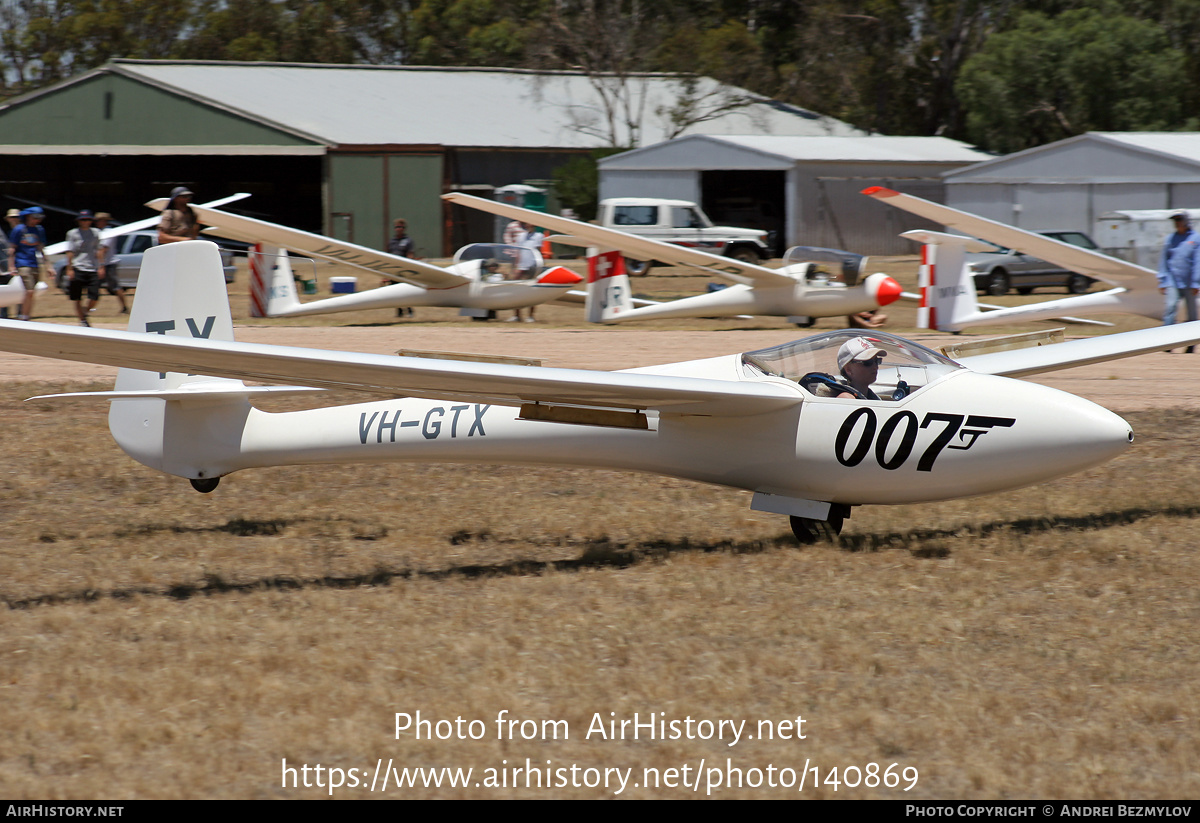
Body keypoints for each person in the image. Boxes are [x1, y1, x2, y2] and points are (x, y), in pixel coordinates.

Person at [1158, 211, 1200, 353]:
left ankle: (1191, 344)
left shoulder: (1195, 239)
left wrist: (1196, 282)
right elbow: (1164, 260)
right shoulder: (1170, 239)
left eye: (1180, 220)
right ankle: (1167, 343)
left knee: (1192, 314)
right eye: (1175, 221)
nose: (1177, 223)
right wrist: (1163, 280)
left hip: (1189, 282)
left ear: (1186, 221)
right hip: (1173, 280)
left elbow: (1197, 262)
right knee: (1170, 309)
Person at [64, 210, 106, 327]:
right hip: (78, 266)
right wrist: (69, 268)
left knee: (95, 296)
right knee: (77, 296)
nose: (85, 222)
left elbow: (99, 250)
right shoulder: (73, 233)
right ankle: (83, 320)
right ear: (78, 221)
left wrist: (101, 266)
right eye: (83, 220)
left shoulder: (95, 233)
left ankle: (84, 312)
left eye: (87, 219)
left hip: (92, 267)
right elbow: (70, 251)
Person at [7, 207, 47, 321]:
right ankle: (24, 316)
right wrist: (12, 266)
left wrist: (49, 266)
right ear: (28, 217)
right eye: (35, 217)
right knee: (29, 291)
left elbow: (41, 248)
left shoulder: (39, 230)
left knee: (31, 292)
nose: (37, 220)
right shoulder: (19, 229)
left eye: (39, 218)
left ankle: (25, 314)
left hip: (34, 263)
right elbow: (12, 248)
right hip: (22, 262)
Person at [509, 222, 544, 322]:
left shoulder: (539, 236)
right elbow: (518, 252)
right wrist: (515, 266)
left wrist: (539, 266)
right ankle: (516, 315)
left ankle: (530, 316)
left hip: (532, 265)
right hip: (521, 266)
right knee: (515, 290)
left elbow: (538, 251)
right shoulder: (520, 236)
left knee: (533, 291)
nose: (527, 225)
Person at [93, 212, 128, 313]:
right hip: (101, 264)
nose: (97, 223)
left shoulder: (109, 232)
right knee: (94, 286)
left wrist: (101, 265)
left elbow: (103, 250)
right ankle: (90, 307)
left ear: (104, 221)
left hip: (108, 264)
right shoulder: (99, 232)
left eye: (98, 221)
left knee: (115, 287)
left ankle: (125, 307)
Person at [386, 218, 416, 317]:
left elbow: (410, 255)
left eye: (401, 227)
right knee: (394, 292)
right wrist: (385, 273)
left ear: (404, 228)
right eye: (397, 227)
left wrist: (409, 269)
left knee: (405, 291)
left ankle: (409, 310)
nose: (398, 229)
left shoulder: (408, 241)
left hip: (404, 271)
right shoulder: (392, 241)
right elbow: (387, 256)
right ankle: (399, 312)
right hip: (394, 270)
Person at [0, 208, 17, 319]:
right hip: (3, 266)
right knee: (3, 290)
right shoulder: (4, 230)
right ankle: (4, 315)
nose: (14, 219)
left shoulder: (19, 230)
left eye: (16, 217)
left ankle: (20, 314)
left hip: (14, 264)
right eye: (12, 217)